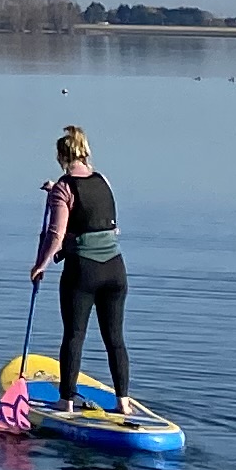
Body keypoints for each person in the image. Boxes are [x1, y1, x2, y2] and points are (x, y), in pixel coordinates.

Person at [29, 125, 142, 413]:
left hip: (83, 272)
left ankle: (65, 401)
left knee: (74, 335)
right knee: (115, 339)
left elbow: (56, 235)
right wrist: (56, 192)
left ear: (60, 156)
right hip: (116, 270)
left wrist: (40, 265)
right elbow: (93, 212)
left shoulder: (65, 188)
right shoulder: (103, 180)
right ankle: (124, 403)